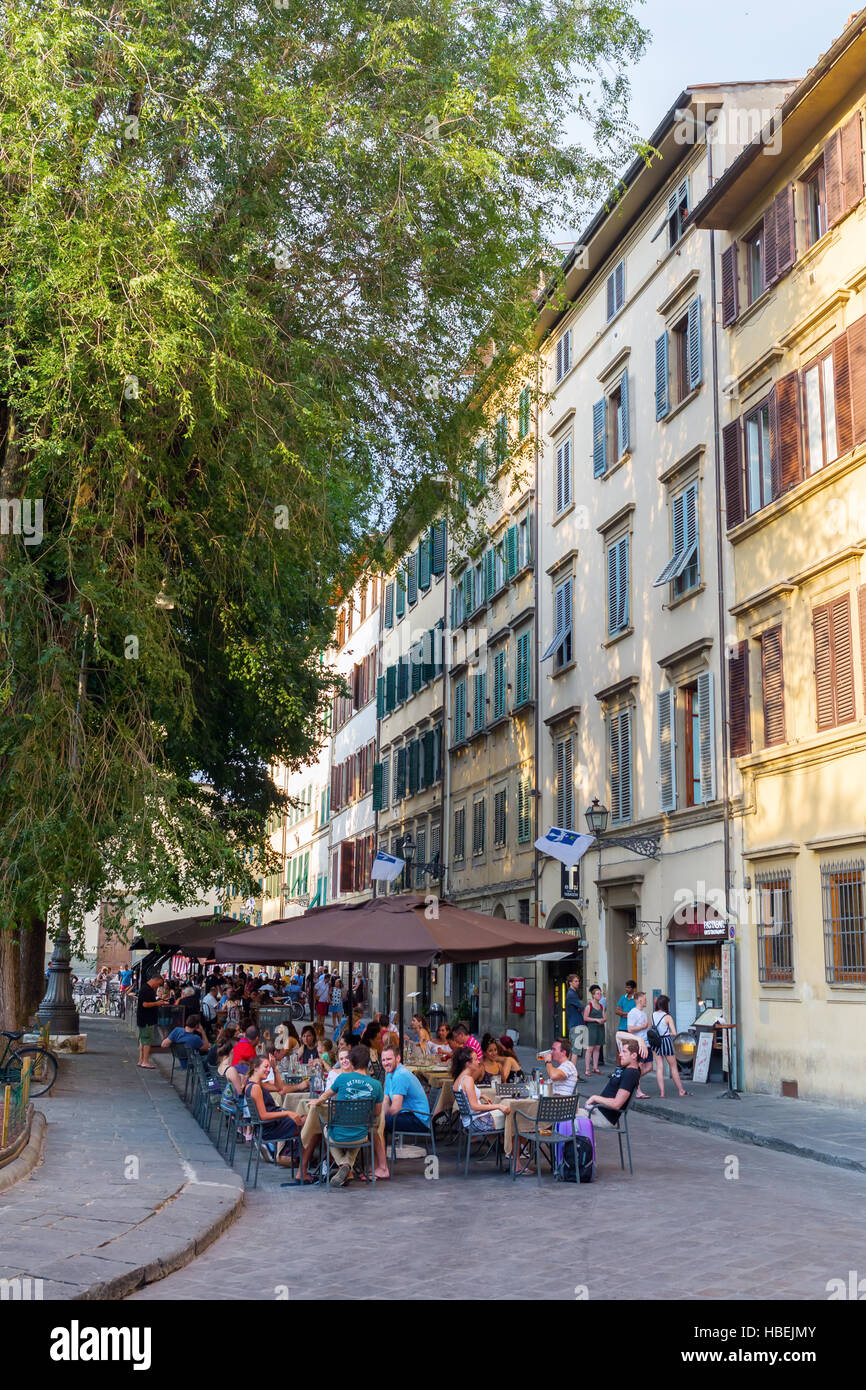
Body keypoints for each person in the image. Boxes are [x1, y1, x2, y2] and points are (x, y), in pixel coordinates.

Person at [311, 1043, 384, 1187]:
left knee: (326, 1128)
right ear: (367, 1062)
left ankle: (343, 1164)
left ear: (352, 1061)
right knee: (361, 1125)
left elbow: (325, 1096)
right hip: (361, 1135)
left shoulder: (342, 1079)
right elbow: (377, 1113)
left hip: (338, 1134)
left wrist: (316, 1101)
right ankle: (347, 1166)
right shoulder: (376, 1085)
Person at [244, 1055, 304, 1169]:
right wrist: (287, 1113)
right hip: (270, 1128)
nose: (268, 1070)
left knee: (303, 1120)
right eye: (265, 1067)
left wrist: (275, 1069)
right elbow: (263, 1115)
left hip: (270, 1125)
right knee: (304, 1121)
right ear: (255, 1068)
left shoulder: (256, 1084)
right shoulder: (256, 1088)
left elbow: (279, 1088)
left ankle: (295, 1157)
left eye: (269, 1067)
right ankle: (299, 1161)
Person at [580, 1038, 642, 1129]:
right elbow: (618, 1035)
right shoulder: (627, 1068)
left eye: (624, 1052)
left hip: (604, 1117)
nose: (620, 1055)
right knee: (566, 1114)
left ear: (634, 1055)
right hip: (597, 1110)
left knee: (567, 1118)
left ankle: (582, 1143)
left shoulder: (631, 1073)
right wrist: (641, 1041)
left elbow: (617, 1104)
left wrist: (595, 1097)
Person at [452, 1046, 511, 1136]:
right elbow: (475, 1106)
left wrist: (481, 1096)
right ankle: (515, 1149)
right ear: (468, 1064)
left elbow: (466, 1096)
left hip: (468, 1121)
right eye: (475, 1060)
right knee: (513, 1117)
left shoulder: (458, 1079)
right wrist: (498, 1106)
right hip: (476, 1122)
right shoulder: (468, 1080)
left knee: (506, 1114)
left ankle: (501, 1146)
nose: (478, 1062)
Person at [649, 995, 690, 1098]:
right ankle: (681, 1090)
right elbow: (675, 1033)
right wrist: (667, 1033)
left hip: (655, 1042)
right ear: (665, 1005)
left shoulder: (652, 1015)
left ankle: (662, 1093)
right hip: (666, 1041)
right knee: (673, 1067)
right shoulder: (667, 1017)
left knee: (659, 1067)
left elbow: (650, 1029)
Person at [626, 991, 653, 1099]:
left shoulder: (644, 1013)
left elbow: (645, 1027)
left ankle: (631, 1080)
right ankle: (638, 1091)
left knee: (650, 1066)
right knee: (640, 1066)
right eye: (645, 999)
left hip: (646, 1043)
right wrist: (642, 1027)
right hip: (638, 1043)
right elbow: (630, 1029)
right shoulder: (633, 1012)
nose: (646, 1001)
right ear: (640, 1000)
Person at [136, 972, 164, 1068]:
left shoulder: (146, 988)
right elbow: (145, 1004)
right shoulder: (147, 990)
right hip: (147, 1019)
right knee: (147, 1040)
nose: (158, 986)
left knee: (143, 1040)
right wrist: (157, 1003)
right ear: (155, 980)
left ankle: (141, 1060)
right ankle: (145, 1061)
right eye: (158, 983)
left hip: (144, 1019)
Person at [582, 985, 606, 1078]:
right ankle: (587, 1069)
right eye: (597, 994)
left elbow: (605, 1017)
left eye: (600, 993)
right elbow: (585, 1017)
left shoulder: (601, 1006)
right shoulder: (589, 1006)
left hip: (600, 1028)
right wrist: (596, 1020)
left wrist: (602, 1020)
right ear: (593, 995)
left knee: (597, 1048)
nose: (599, 995)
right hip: (591, 1028)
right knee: (590, 1049)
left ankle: (595, 1067)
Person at [565, 972, 587, 1065]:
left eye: (578, 981)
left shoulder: (572, 993)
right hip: (576, 1025)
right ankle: (573, 1074)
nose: (578, 983)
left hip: (573, 1024)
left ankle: (567, 1071)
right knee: (575, 1051)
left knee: (572, 1050)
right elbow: (582, 1007)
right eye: (575, 981)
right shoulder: (571, 994)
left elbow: (578, 1007)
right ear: (570, 982)